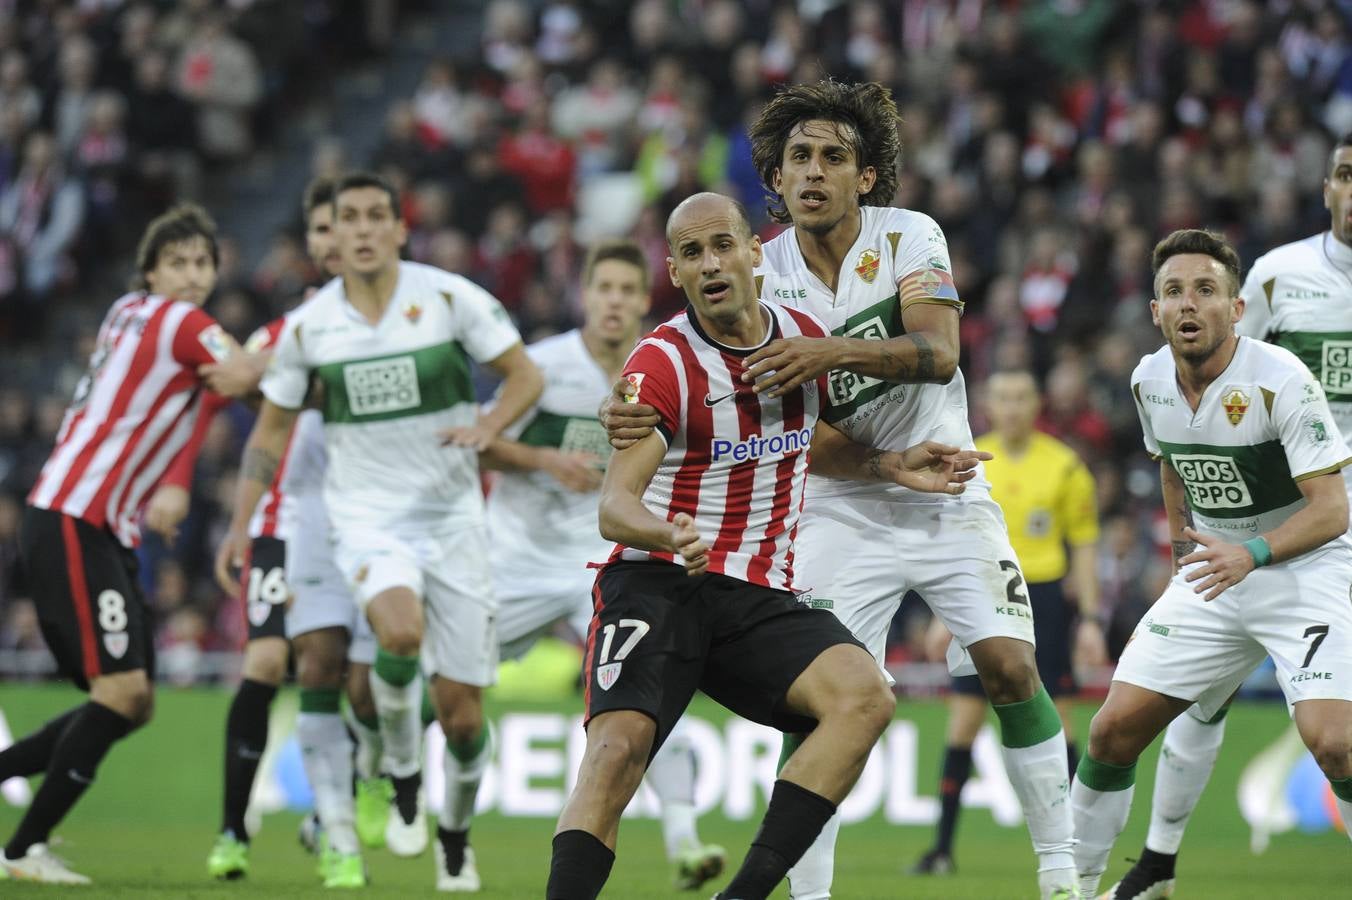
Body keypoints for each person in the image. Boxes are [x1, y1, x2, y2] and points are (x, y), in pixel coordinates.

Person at [602, 79, 1080, 900]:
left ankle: (1062, 878)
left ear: (866, 176)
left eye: (834, 156)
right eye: (798, 158)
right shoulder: (763, 270)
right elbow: (782, 430)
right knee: (822, 702)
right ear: (776, 183)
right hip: (832, 506)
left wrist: (829, 355)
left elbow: (940, 352)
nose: (814, 171)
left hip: (950, 488)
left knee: (1009, 667)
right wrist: (637, 407)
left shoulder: (909, 238)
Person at [546, 191, 991, 900]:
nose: (712, 263)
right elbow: (615, 507)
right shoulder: (661, 364)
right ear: (677, 272)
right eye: (692, 254)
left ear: (755, 253)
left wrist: (889, 465)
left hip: (755, 593)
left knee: (865, 699)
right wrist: (669, 533)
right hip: (658, 580)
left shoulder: (803, 339)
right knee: (616, 752)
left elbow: (812, 440)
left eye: (723, 244)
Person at [219, 171, 542, 891]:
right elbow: (268, 435)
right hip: (365, 520)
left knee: (463, 718)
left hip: (454, 518)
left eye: (374, 216)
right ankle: (400, 773)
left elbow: (522, 375)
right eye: (347, 218)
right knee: (396, 635)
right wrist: (242, 524)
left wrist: (487, 424)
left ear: (399, 228)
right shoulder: (312, 327)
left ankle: (453, 835)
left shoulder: (449, 298)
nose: (361, 229)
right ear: (332, 235)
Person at [1101, 132, 1352, 900]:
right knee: (1201, 695)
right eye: (1346, 173)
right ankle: (1159, 861)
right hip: (1296, 513)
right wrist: (1208, 532)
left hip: (1320, 517)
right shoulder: (1281, 277)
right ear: (1325, 188)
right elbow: (1226, 391)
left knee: (1335, 736)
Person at [0, 205, 248, 884]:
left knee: (132, 701)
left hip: (89, 524)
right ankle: (20, 851)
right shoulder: (181, 322)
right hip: (77, 518)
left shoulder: (128, 315)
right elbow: (245, 375)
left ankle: (17, 831)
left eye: (203, 264)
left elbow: (196, 402)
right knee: (120, 691)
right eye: (178, 263)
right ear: (151, 271)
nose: (193, 277)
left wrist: (173, 479)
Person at [482, 238, 726, 890]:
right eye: (603, 289)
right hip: (517, 558)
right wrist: (542, 461)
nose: (614, 301)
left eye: (626, 290)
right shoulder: (540, 366)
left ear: (643, 300)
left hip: (602, 558)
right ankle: (434, 817)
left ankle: (683, 840)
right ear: (584, 296)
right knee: (452, 685)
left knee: (641, 696)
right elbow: (482, 444)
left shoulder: (665, 368)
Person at [199, 178, 383, 888]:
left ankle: (341, 800)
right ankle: (231, 830)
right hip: (288, 519)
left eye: (341, 226)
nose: (330, 240)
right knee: (271, 662)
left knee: (366, 676)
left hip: (372, 520)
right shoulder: (290, 329)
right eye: (318, 230)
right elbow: (232, 382)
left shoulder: (398, 319)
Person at [912, 368, 1104, 877]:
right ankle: (941, 850)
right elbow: (950, 540)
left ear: (1037, 402)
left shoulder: (1065, 467)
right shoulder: (972, 459)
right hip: (979, 595)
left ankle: (1071, 845)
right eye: (1002, 397)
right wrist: (940, 613)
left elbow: (1084, 546)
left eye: (1021, 396)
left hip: (1045, 598)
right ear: (987, 405)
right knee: (964, 724)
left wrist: (1089, 618)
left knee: (1059, 724)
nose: (1012, 406)